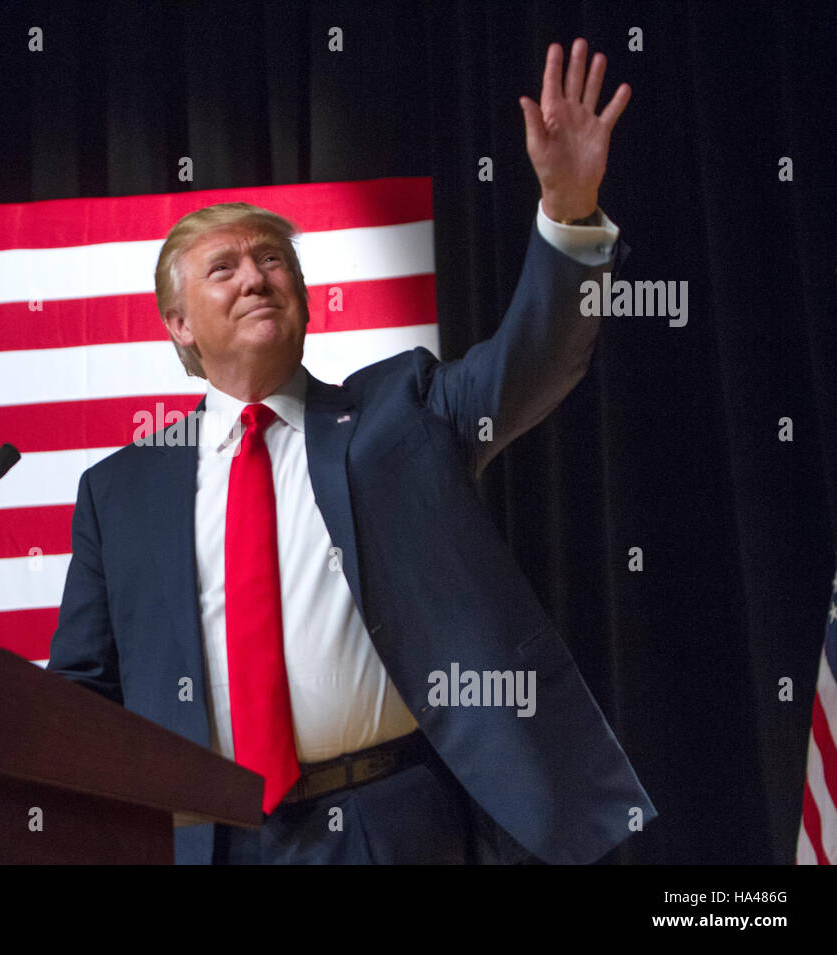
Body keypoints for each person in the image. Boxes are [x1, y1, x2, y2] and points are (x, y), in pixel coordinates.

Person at [47, 38, 654, 863]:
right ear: (179, 325)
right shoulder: (118, 493)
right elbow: (84, 698)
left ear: (301, 297)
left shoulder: (399, 410)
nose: (255, 277)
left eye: (271, 260)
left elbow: (533, 364)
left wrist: (569, 215)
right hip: (213, 844)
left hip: (394, 822)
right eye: (222, 268)